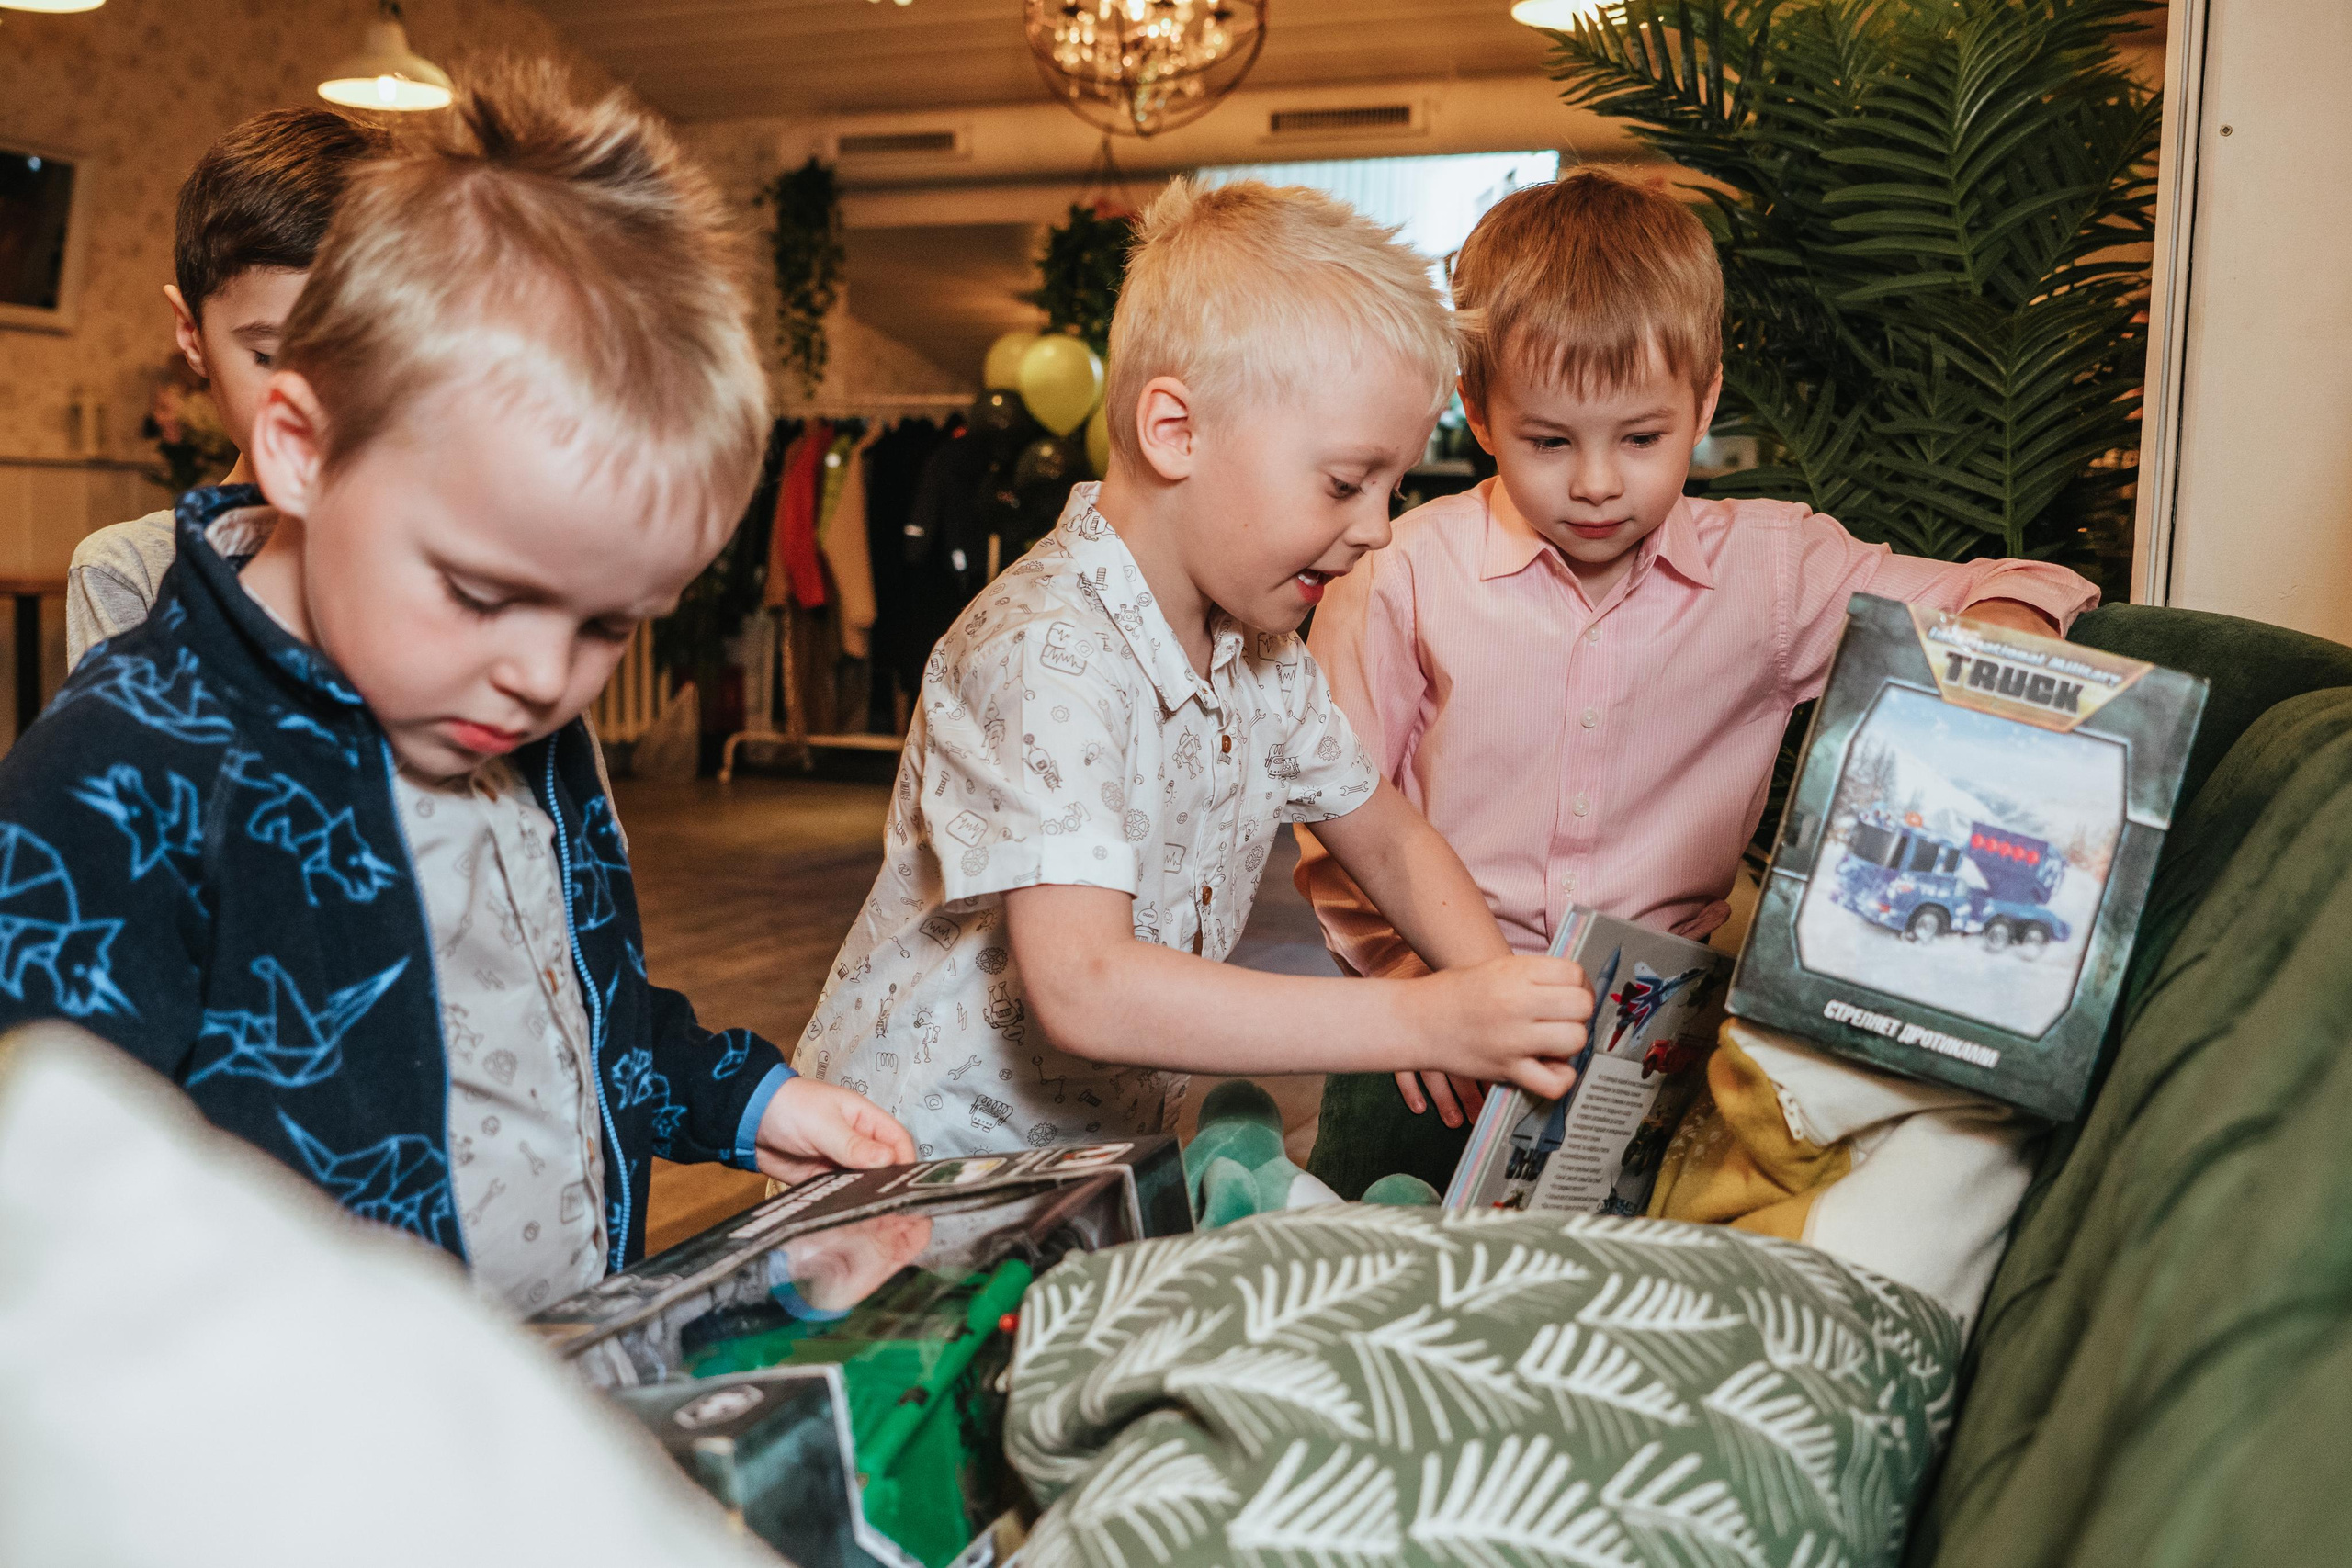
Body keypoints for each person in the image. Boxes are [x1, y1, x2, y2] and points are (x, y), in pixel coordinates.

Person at [0, 64, 912, 1312]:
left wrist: (748, 1099)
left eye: (607, 622)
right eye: (483, 594)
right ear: (303, 447)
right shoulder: (119, 775)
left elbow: (564, 1004)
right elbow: (54, 1227)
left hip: (551, 1369)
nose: (544, 675)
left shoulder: (498, 714)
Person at [1295, 169, 2101, 1191]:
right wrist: (1407, 983)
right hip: (1431, 1029)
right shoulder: (1400, 573)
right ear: (1478, 409)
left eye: (1641, 438)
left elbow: (2013, 582)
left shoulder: (1771, 571)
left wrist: (2001, 637)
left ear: (1705, 399)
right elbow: (1339, 819)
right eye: (1549, 441)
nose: (1595, 483)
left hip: (1657, 1045)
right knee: (1366, 1266)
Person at [797, 180, 1594, 1162]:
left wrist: (1498, 1005)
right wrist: (1428, 1022)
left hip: (1079, 1167)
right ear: (1174, 431)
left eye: (1391, 487)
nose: (1378, 527)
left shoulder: (1263, 657)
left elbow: (1386, 839)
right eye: (1346, 482)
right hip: (908, 1180)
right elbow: (1086, 986)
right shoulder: (1040, 650)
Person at [66, 108, 391, 670]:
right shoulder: (131, 572)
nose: (315, 402)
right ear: (191, 334)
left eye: (363, 355)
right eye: (269, 357)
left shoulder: (458, 558)